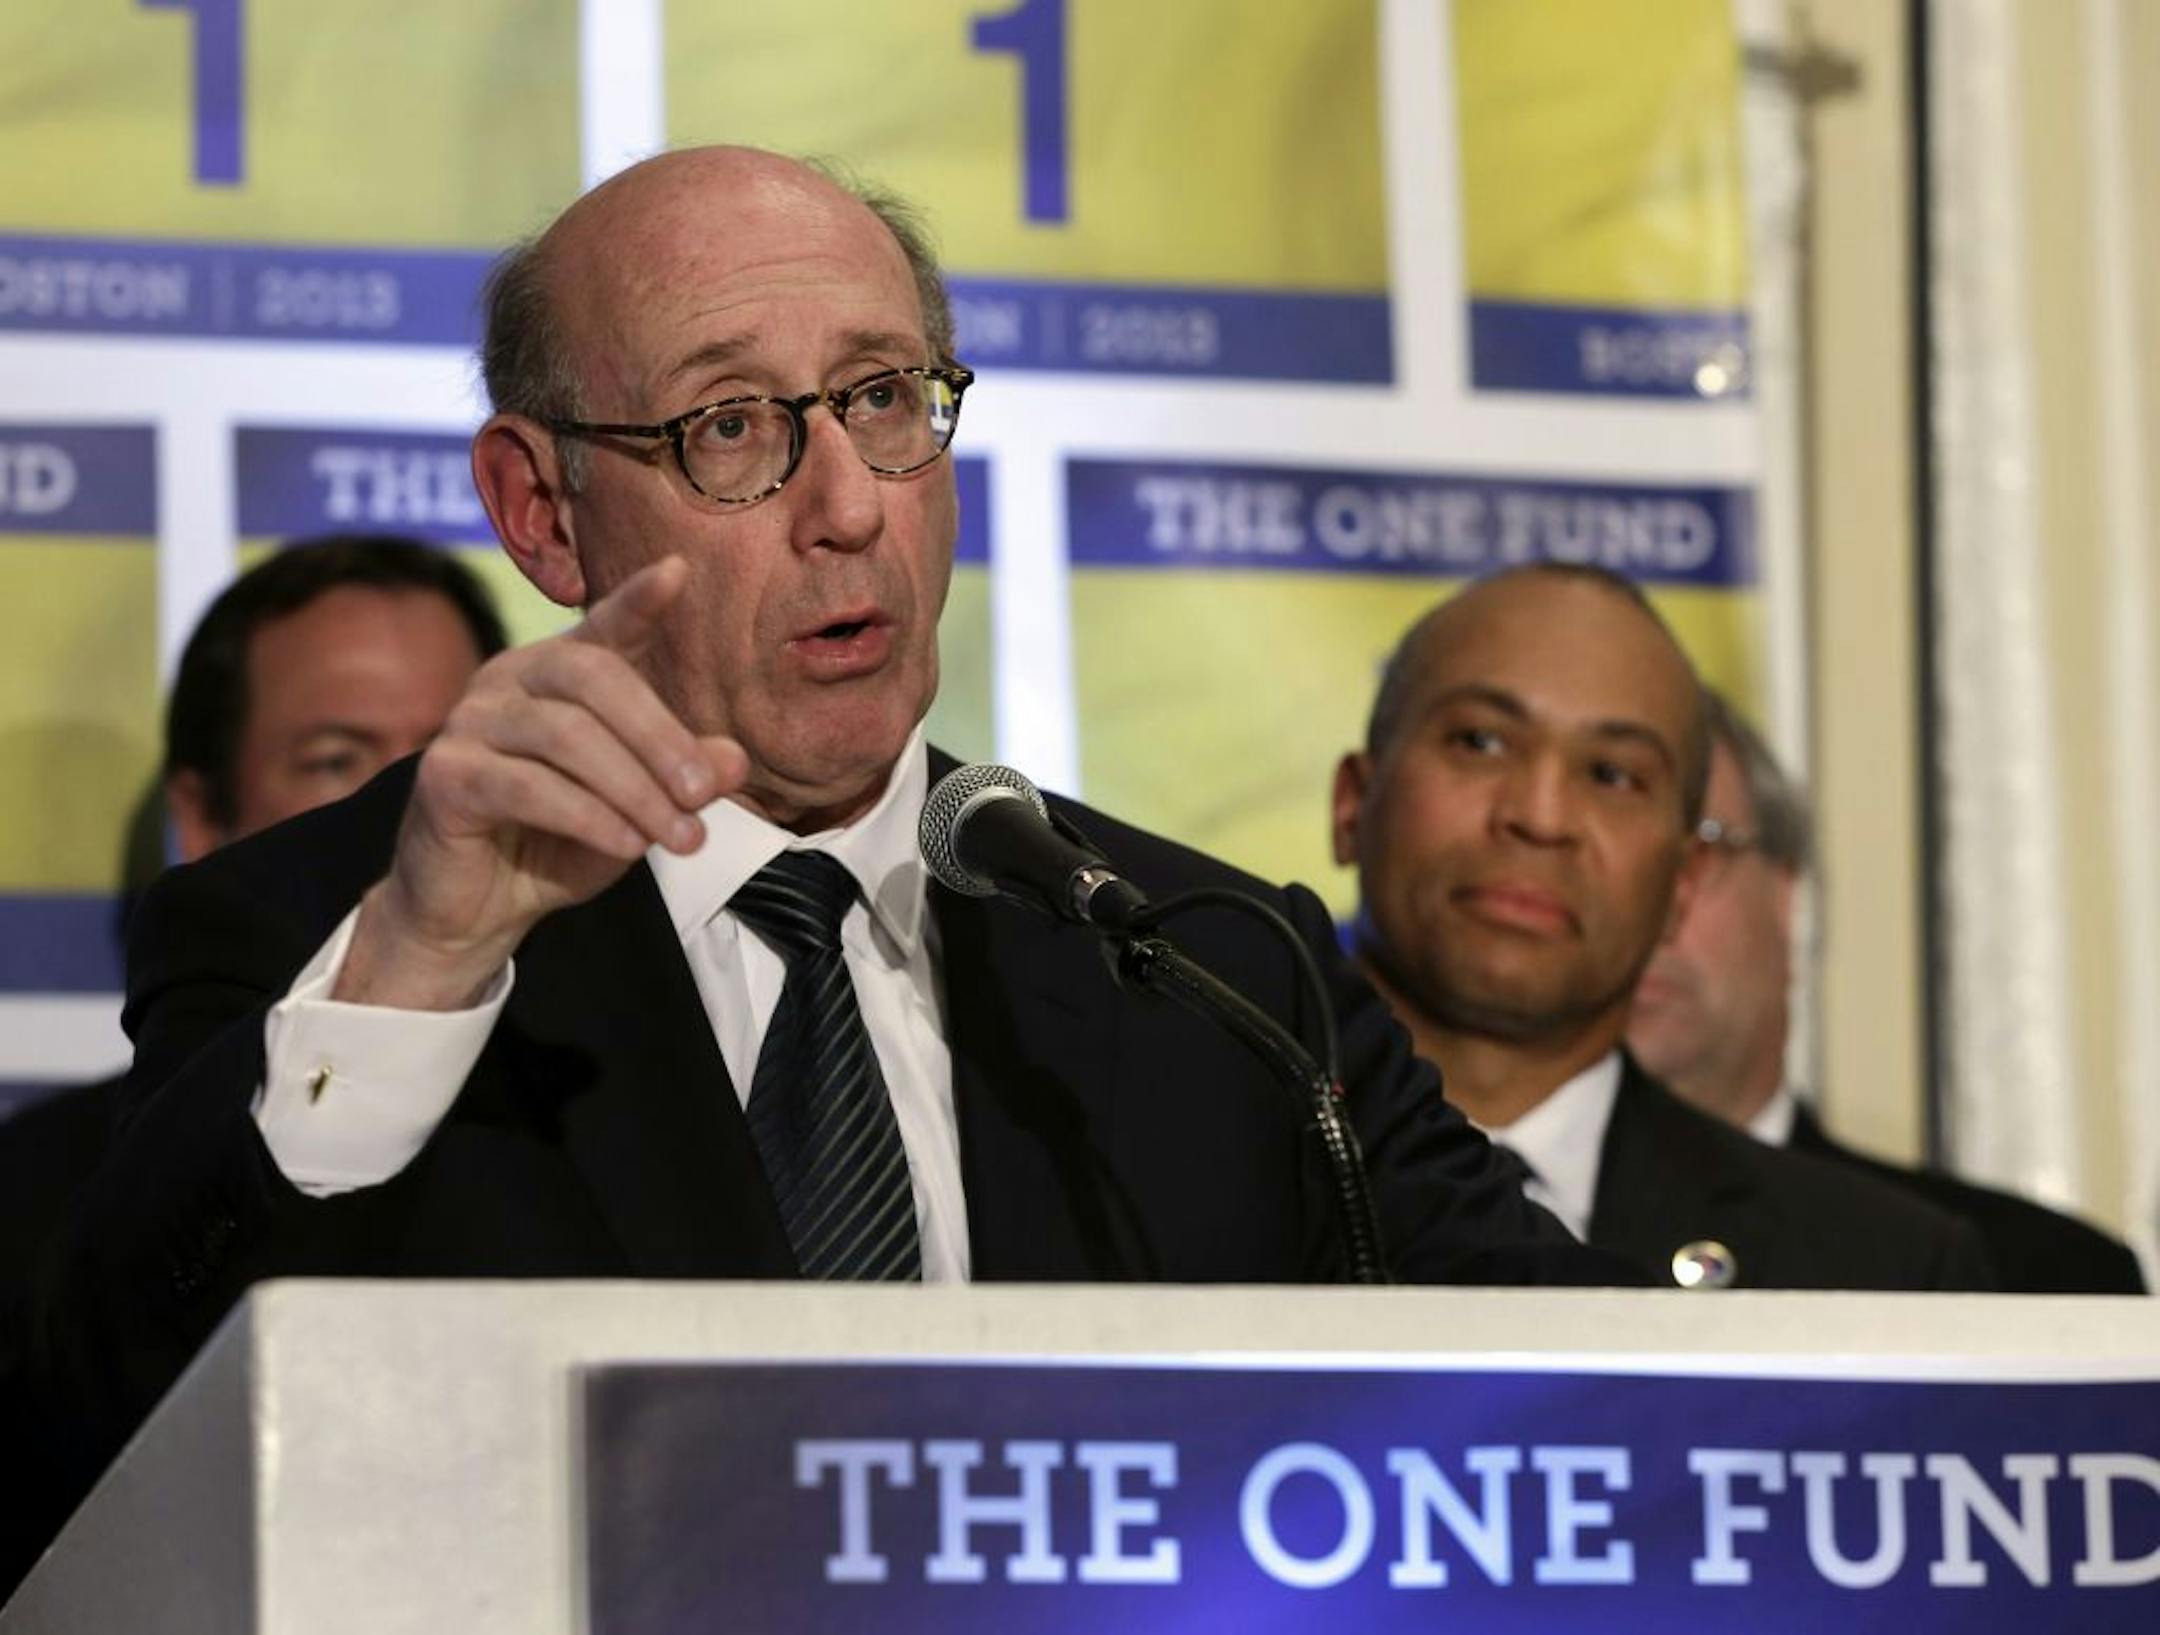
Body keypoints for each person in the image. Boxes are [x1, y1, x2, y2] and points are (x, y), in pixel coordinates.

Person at [28, 148, 1623, 1489]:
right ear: (541, 509)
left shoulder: (1216, 966)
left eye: (881, 397)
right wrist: (422, 962)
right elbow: (106, 1434)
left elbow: (1617, 1405)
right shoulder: (336, 937)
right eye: (730, 425)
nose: (849, 500)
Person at [0, 534, 507, 1595]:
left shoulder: (606, 1116)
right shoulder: (41, 1203)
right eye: (338, 760)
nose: (419, 809)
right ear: (201, 814)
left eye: (453, 754)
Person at [1330, 564, 1995, 1290]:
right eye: (1481, 742)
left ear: (1683, 882)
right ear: (1353, 804)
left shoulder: (1884, 1272)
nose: (1540, 816)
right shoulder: (1196, 1172)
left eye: (1613, 775)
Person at [1626, 688, 2146, 1293]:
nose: (1649, 910)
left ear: (1787, 902)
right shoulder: (1500, 1239)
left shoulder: (2033, 1278)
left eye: (1696, 855)